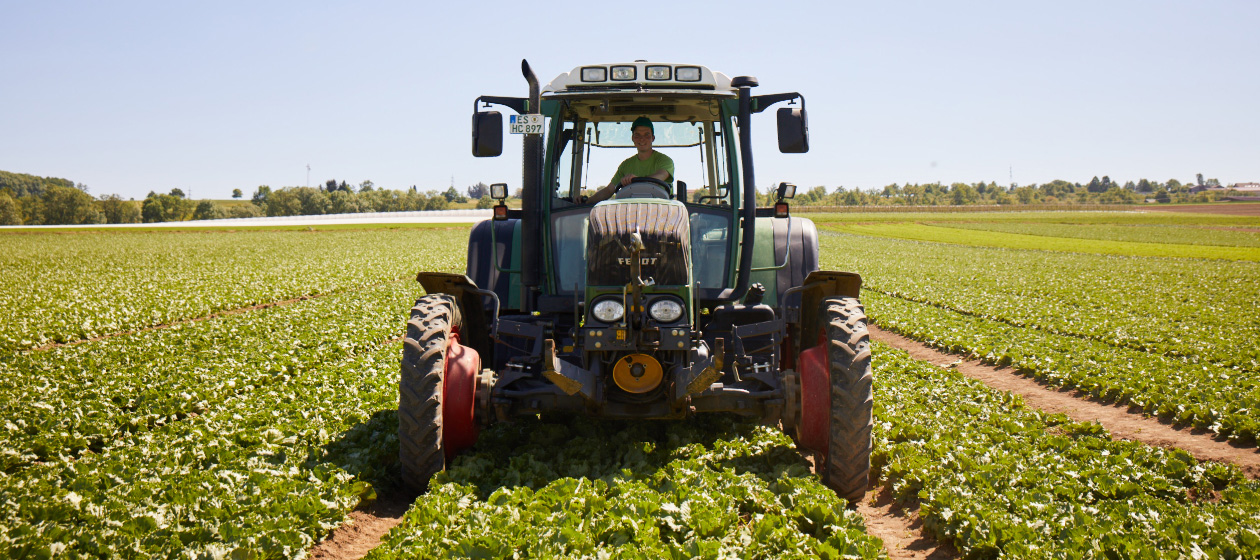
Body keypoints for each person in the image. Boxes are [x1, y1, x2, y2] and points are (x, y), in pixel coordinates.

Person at [584, 116, 674, 204]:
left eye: (646, 135)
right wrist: (587, 201)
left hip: (661, 211)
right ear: (633, 139)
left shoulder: (664, 160)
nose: (642, 139)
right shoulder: (625, 165)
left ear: (653, 138)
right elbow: (609, 190)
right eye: (637, 135)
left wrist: (636, 180)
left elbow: (661, 175)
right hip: (630, 213)